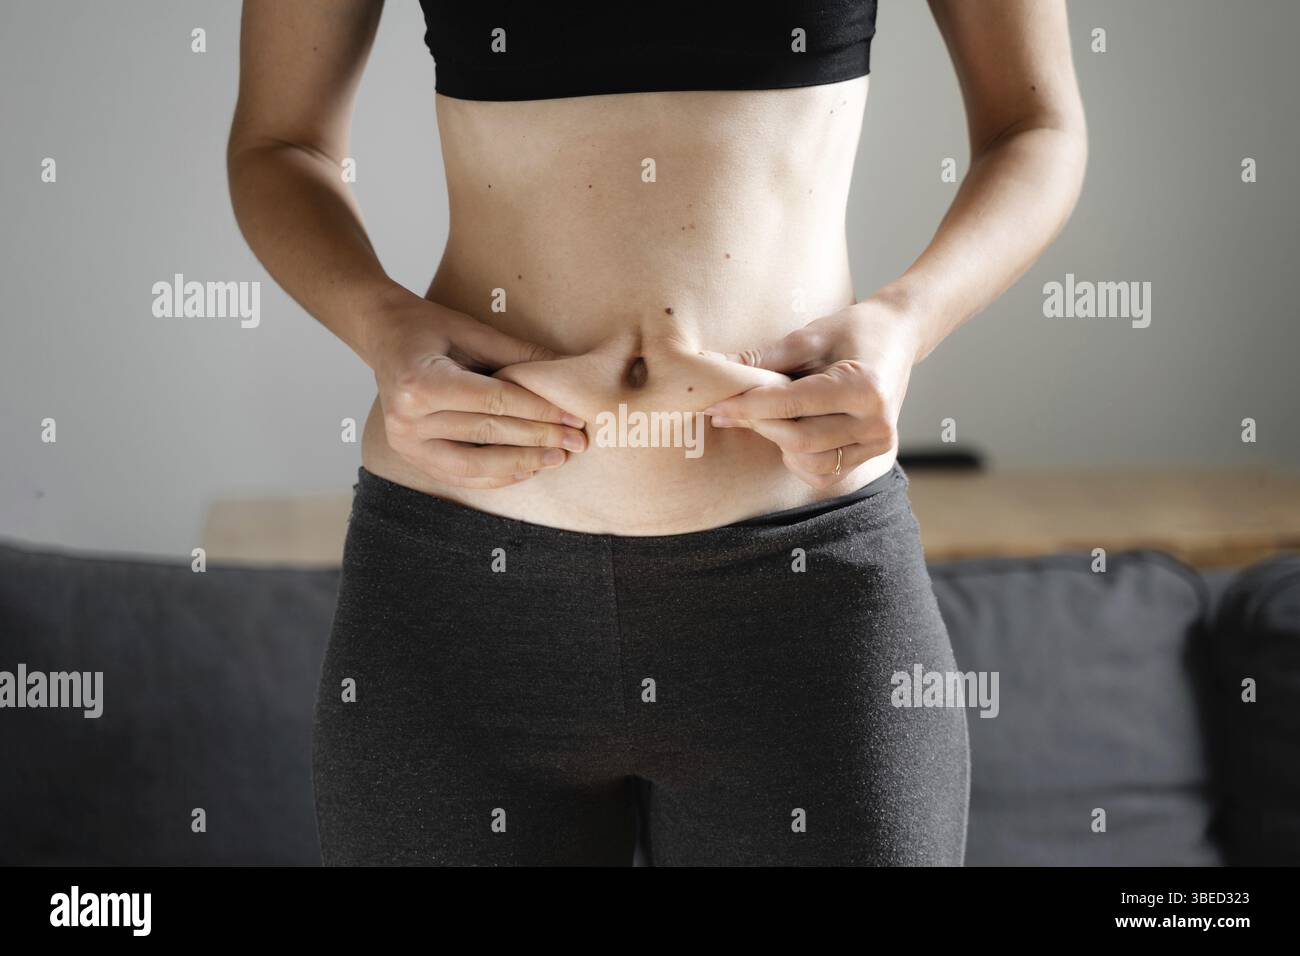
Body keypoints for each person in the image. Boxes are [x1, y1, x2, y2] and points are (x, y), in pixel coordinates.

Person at [228, 0, 1086, 865]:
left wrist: (907, 321)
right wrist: (381, 324)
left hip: (808, 591)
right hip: (459, 593)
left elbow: (1035, 124)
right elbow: (279, 143)